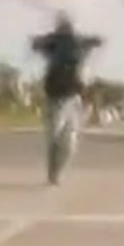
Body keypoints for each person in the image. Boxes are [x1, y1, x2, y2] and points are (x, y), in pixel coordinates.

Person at [31, 12, 103, 186]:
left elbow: (95, 42)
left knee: (69, 144)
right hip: (55, 100)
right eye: (62, 26)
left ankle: (56, 172)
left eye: (67, 26)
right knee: (53, 137)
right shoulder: (52, 44)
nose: (65, 30)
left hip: (73, 99)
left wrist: (92, 42)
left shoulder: (78, 43)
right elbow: (36, 44)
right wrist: (46, 41)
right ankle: (52, 174)